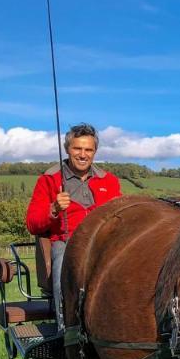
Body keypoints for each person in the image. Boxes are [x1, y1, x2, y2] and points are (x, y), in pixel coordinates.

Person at [25, 123, 122, 326]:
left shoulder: (109, 181)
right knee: (64, 269)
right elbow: (33, 223)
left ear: (95, 152)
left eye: (88, 149)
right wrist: (53, 209)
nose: (83, 154)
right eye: (77, 148)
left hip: (105, 243)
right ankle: (66, 329)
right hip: (66, 242)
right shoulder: (49, 179)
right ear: (67, 149)